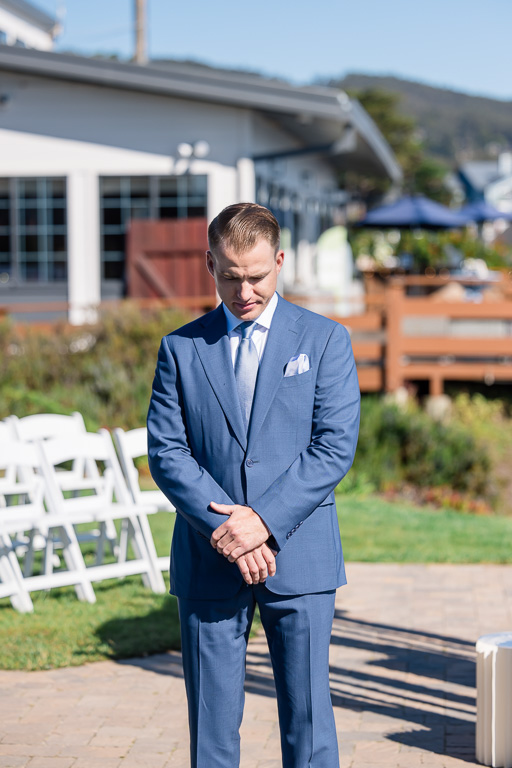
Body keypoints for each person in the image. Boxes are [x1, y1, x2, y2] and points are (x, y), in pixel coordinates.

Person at [147, 202, 360, 768]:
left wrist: (261, 521)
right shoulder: (179, 348)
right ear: (209, 264)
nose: (245, 291)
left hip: (301, 554)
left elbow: (333, 446)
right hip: (210, 554)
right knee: (211, 732)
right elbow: (168, 451)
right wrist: (229, 527)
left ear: (280, 261)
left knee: (309, 725)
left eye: (258, 276)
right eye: (231, 276)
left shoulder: (326, 339)